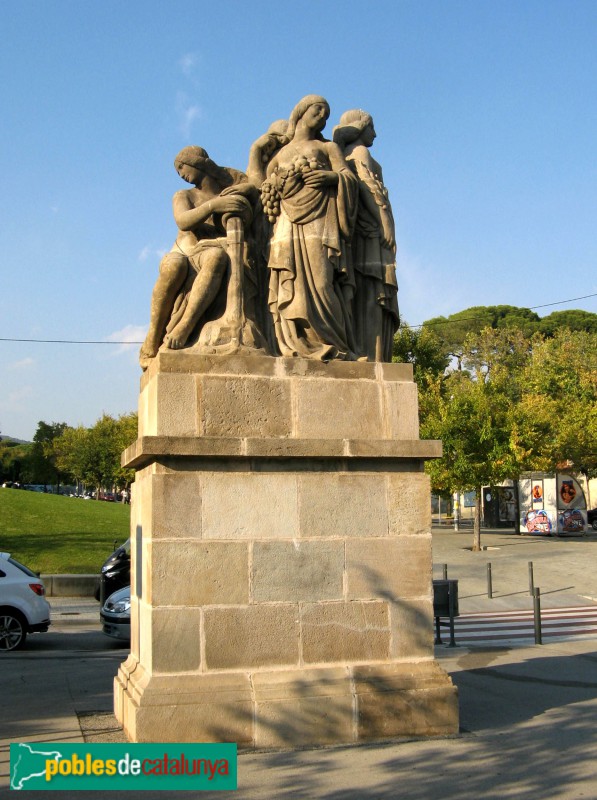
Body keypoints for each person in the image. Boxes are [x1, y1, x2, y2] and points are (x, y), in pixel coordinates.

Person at [139, 146, 257, 369]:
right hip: (185, 252)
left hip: (212, 251)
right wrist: (214, 205)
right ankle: (153, 337)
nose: (180, 174)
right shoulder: (184, 195)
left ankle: (185, 326)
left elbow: (254, 188)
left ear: (197, 164)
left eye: (182, 167)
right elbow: (183, 220)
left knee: (216, 256)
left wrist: (245, 193)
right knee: (173, 266)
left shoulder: (228, 193)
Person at [263, 95, 359, 360]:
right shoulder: (279, 155)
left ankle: (336, 345)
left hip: (320, 220)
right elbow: (263, 187)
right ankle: (295, 344)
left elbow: (348, 178)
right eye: (319, 109)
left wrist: (329, 177)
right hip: (286, 222)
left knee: (322, 281)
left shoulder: (327, 148)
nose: (323, 116)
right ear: (301, 111)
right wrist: (256, 152)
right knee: (289, 281)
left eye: (327, 114)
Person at [333, 109, 399, 361]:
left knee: (365, 294)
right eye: (371, 127)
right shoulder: (360, 152)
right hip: (371, 234)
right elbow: (368, 188)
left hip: (360, 233)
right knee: (374, 291)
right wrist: (385, 222)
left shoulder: (345, 154)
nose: (375, 134)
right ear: (360, 127)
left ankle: (366, 351)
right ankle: (374, 355)